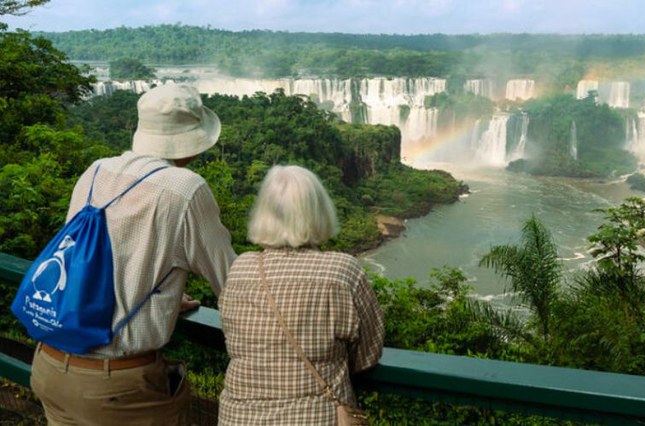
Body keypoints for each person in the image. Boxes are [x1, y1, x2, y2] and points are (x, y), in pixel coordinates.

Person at [30, 83, 237, 426]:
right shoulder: (185, 188)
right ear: (192, 139)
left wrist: (159, 299)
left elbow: (81, 265)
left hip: (51, 368)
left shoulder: (96, 171)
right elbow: (232, 283)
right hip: (116, 391)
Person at [218, 165, 384, 425]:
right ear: (319, 212)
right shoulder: (341, 272)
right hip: (318, 417)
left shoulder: (240, 268)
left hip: (240, 418)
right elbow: (368, 355)